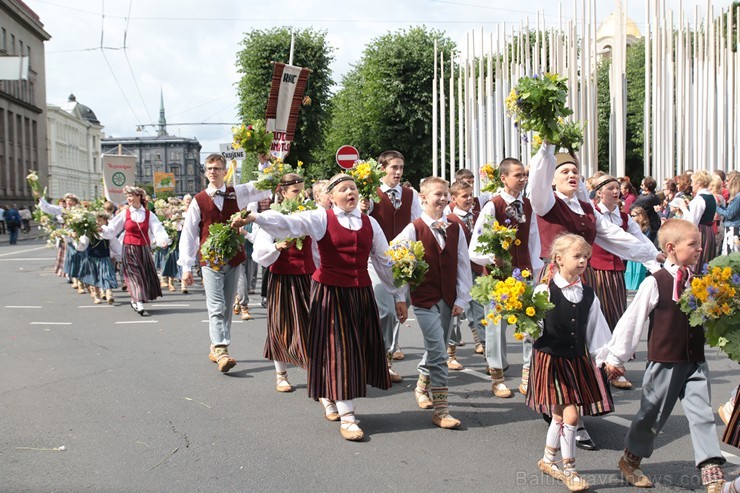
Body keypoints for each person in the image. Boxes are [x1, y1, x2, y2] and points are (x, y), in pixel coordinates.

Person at [244, 173, 407, 441]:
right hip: (330, 292)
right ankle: (348, 416)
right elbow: (288, 223)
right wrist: (257, 218)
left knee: (355, 352)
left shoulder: (370, 223)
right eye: (343, 189)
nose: (350, 192)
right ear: (331, 197)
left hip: (361, 293)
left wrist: (398, 295)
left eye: (353, 188)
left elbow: (384, 260)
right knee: (338, 350)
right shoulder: (321, 218)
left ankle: (331, 394)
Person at [529, 144, 663, 451]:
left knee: (584, 348)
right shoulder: (546, 201)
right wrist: (547, 147)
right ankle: (563, 414)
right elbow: (537, 178)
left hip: (582, 279)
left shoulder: (586, 208)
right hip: (554, 281)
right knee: (557, 348)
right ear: (551, 178)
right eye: (564, 171)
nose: (572, 175)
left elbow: (616, 237)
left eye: (575, 170)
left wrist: (653, 254)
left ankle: (574, 415)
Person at [605, 219, 727, 492]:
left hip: (694, 360)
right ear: (671, 248)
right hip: (665, 362)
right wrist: (615, 357)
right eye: (693, 244)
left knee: (702, 414)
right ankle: (630, 459)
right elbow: (632, 320)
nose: (700, 248)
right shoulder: (656, 282)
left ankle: (711, 470)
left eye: (699, 243)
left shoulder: (700, 281)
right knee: (652, 416)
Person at [527, 234, 613, 492]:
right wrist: (527, 324)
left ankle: (548, 459)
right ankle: (570, 470)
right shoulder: (544, 290)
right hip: (551, 359)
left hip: (575, 360)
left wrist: (606, 358)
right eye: (577, 256)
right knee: (572, 414)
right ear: (558, 258)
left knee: (559, 413)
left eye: (586, 256)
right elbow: (534, 327)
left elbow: (597, 330)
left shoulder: (588, 294)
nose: (583, 260)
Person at [178, 153, 272, 373]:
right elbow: (190, 234)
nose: (213, 172)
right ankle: (221, 349)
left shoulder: (236, 193)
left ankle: (216, 345)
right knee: (217, 304)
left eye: (217, 168)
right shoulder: (198, 200)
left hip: (234, 256)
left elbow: (264, 186)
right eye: (209, 168)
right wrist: (186, 267)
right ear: (205, 172)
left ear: (224, 171)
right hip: (210, 259)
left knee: (228, 306)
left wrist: (264, 163)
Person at [393, 176, 472, 429]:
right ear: (423, 198)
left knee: (435, 346)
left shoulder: (455, 226)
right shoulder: (413, 228)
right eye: (437, 194)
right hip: (424, 298)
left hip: (448, 297)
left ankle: (421, 385)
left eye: (445, 194)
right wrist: (400, 296)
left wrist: (462, 297)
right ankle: (442, 410)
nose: (443, 198)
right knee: (439, 351)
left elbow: (462, 263)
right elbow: (396, 261)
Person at [469, 157, 543, 397]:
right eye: (517, 175)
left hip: (524, 272)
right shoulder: (493, 206)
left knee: (531, 324)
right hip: (499, 275)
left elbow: (534, 239)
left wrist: (536, 269)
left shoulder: (529, 205)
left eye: (524, 175)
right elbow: (476, 246)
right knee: (496, 326)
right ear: (503, 178)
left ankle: (527, 372)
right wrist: (493, 258)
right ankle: (497, 375)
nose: (522, 179)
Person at [584, 174, 656, 390]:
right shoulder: (594, 214)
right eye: (611, 188)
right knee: (598, 319)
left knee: (618, 317)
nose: (616, 192)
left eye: (618, 188)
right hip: (595, 271)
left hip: (616, 272)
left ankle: (614, 368)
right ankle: (595, 368)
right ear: (599, 192)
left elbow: (640, 241)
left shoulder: (624, 218)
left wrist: (657, 265)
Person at [252, 173, 317, 392]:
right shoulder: (271, 215)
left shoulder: (310, 214)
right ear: (282, 192)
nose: (301, 195)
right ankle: (281, 374)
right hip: (282, 277)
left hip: (308, 276)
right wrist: (277, 247)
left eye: (302, 190)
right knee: (281, 325)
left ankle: (313, 370)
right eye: (295, 191)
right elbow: (259, 254)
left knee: (312, 324)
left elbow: (318, 248)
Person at [367, 150, 422, 378]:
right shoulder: (370, 193)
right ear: (382, 169)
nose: (398, 172)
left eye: (401, 168)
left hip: (402, 260)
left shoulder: (410, 195)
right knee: (386, 311)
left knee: (401, 308)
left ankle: (386, 352)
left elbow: (417, 223)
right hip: (375, 260)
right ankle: (383, 360)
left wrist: (415, 254)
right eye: (394, 168)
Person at [101, 186, 169, 315]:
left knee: (144, 275)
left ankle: (135, 299)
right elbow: (112, 229)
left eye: (131, 196)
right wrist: (102, 230)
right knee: (134, 275)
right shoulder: (124, 214)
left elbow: (157, 229)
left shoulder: (148, 214)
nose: (129, 199)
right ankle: (138, 302)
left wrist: (162, 240)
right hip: (129, 248)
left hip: (143, 249)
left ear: (139, 197)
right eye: (127, 197)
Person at [75, 212, 119, 304]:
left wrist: (120, 256)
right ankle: (96, 295)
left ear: (105, 221)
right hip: (92, 258)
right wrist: (78, 240)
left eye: (100, 220)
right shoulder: (89, 233)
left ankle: (109, 293)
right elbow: (82, 245)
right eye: (95, 221)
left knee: (107, 275)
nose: (97, 223)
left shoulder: (108, 231)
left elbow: (115, 245)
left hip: (104, 258)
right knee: (94, 277)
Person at [678, 170, 718, 270]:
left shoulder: (700, 199)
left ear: (699, 183)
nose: (691, 184)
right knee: (706, 260)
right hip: (709, 231)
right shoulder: (711, 197)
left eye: (692, 181)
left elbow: (692, 222)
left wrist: (683, 208)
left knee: (698, 262)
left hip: (701, 232)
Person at [624, 207, 650, 290]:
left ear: (640, 216)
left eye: (633, 215)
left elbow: (644, 242)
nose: (631, 218)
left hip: (640, 256)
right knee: (629, 273)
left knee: (639, 273)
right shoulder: (630, 228)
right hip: (631, 255)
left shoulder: (646, 229)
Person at [631, 176, 662, 243]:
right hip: (654, 225)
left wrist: (642, 196)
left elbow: (631, 207)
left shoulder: (645, 199)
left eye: (642, 185)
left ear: (646, 188)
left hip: (647, 226)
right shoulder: (655, 196)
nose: (640, 186)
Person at [716, 171, 740, 255]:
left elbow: (729, 214)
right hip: (732, 228)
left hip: (734, 229)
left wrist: (716, 207)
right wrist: (721, 207)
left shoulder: (738, 197)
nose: (725, 183)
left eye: (728, 180)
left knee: (731, 253)